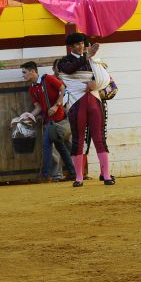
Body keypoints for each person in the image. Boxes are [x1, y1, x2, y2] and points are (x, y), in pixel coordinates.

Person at [55, 32, 114, 187]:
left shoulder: (93, 60)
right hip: (77, 102)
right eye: (76, 44)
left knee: (99, 137)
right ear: (70, 47)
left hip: (93, 100)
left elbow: (103, 78)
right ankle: (79, 177)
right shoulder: (64, 61)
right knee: (78, 139)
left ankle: (106, 175)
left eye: (81, 43)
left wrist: (95, 83)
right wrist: (88, 56)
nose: (79, 46)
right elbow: (69, 70)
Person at [21, 61, 75, 183]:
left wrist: (57, 105)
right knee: (60, 146)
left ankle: (46, 175)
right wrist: (28, 116)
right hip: (49, 120)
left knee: (46, 144)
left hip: (57, 118)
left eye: (24, 72)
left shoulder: (48, 79)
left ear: (32, 71)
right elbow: (38, 108)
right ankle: (72, 172)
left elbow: (63, 88)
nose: (23, 75)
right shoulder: (32, 89)